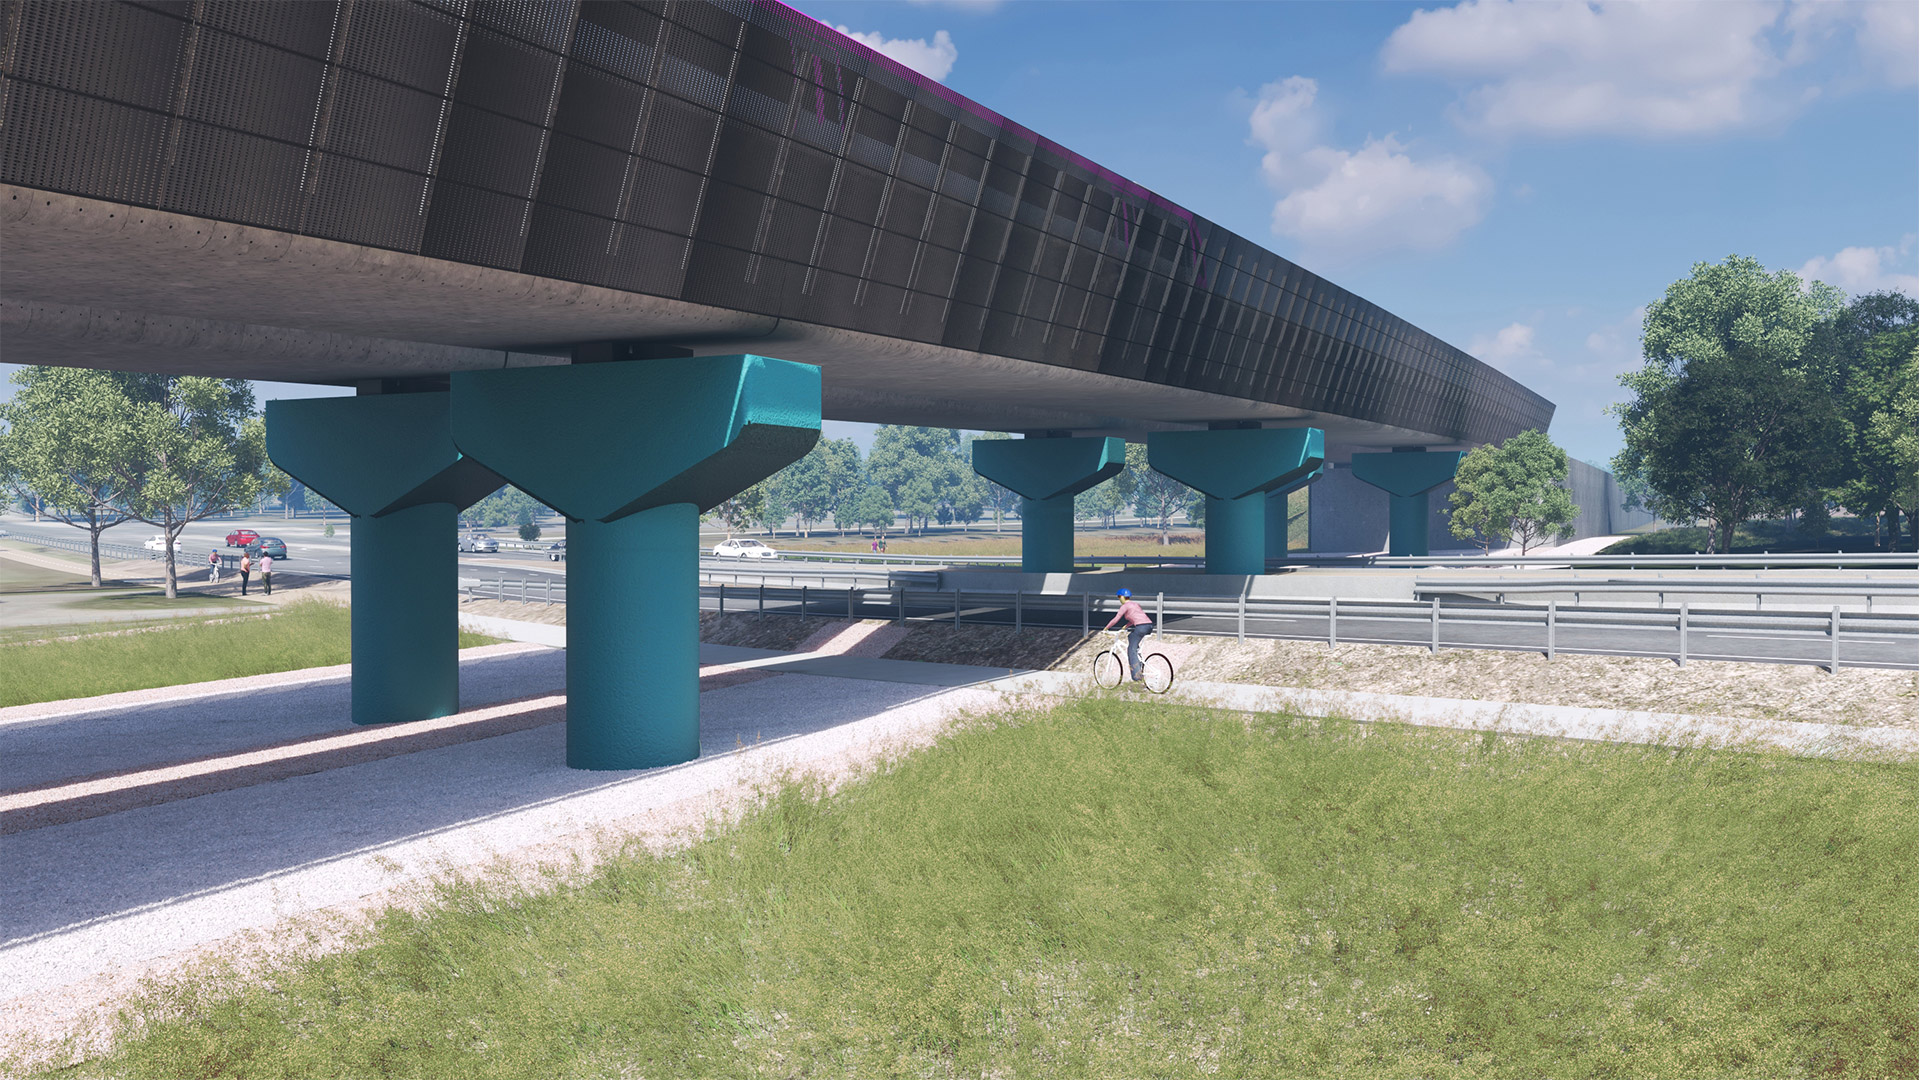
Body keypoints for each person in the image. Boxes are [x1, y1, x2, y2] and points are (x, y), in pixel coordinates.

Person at [1100, 587, 1154, 682]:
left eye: (1118, 597)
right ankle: (1139, 663)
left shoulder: (1124, 606)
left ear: (1121, 597)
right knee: (1131, 638)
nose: (1119, 599)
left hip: (1141, 627)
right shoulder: (1135, 604)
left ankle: (1137, 678)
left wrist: (1106, 628)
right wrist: (1126, 626)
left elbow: (1116, 619)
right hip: (1149, 625)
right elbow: (1137, 617)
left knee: (1131, 650)